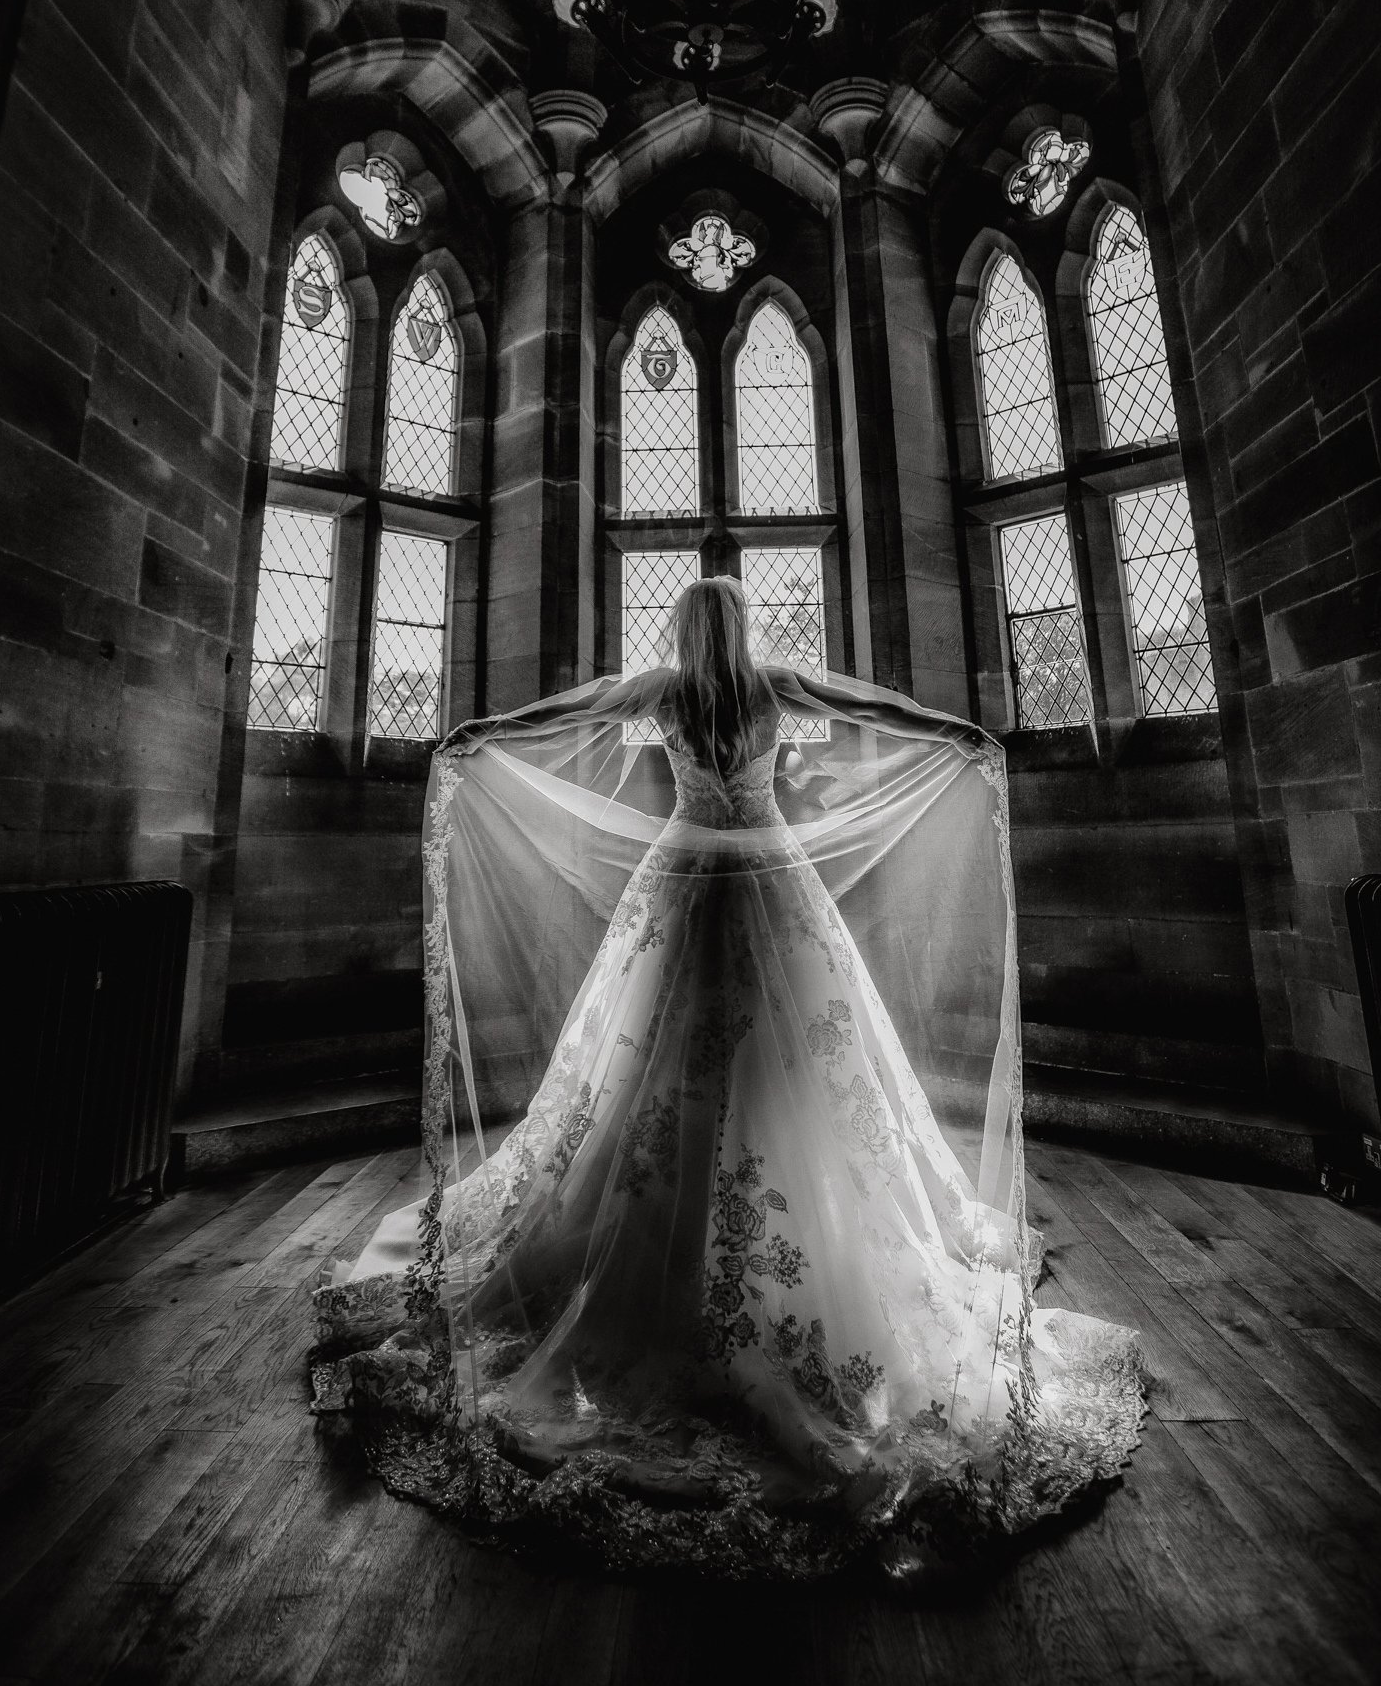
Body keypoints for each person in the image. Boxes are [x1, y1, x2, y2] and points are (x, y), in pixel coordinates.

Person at [312, 578, 1142, 1576]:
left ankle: (659, 1253)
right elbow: (870, 705)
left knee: (654, 1075)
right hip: (768, 879)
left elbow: (564, 711)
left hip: (680, 883)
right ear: (740, 626)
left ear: (684, 629)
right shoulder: (771, 682)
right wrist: (957, 731)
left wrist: (478, 729)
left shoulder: (665, 688)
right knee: (780, 1073)